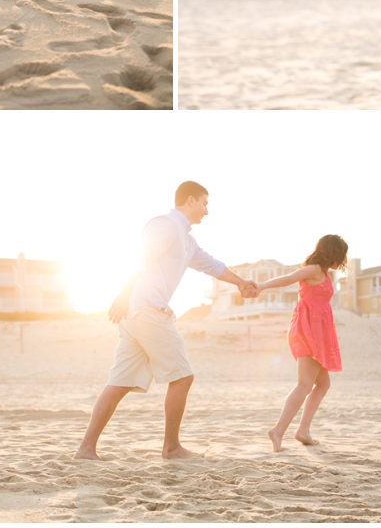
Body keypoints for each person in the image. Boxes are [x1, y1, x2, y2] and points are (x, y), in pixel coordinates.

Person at [74, 181, 258, 461]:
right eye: (205, 204)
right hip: (146, 309)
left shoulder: (187, 239)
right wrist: (123, 294)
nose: (207, 211)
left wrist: (241, 282)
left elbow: (213, 265)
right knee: (183, 377)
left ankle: (86, 449)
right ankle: (171, 448)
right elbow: (139, 257)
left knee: (120, 382)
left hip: (138, 312)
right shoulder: (166, 224)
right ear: (191, 200)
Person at [255, 234, 348, 452]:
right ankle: (278, 430)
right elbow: (288, 278)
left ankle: (303, 431)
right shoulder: (314, 269)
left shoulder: (324, 273)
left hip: (319, 332)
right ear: (332, 252)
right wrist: (261, 286)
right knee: (304, 384)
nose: (342, 261)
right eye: (341, 255)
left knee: (322, 384)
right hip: (309, 332)